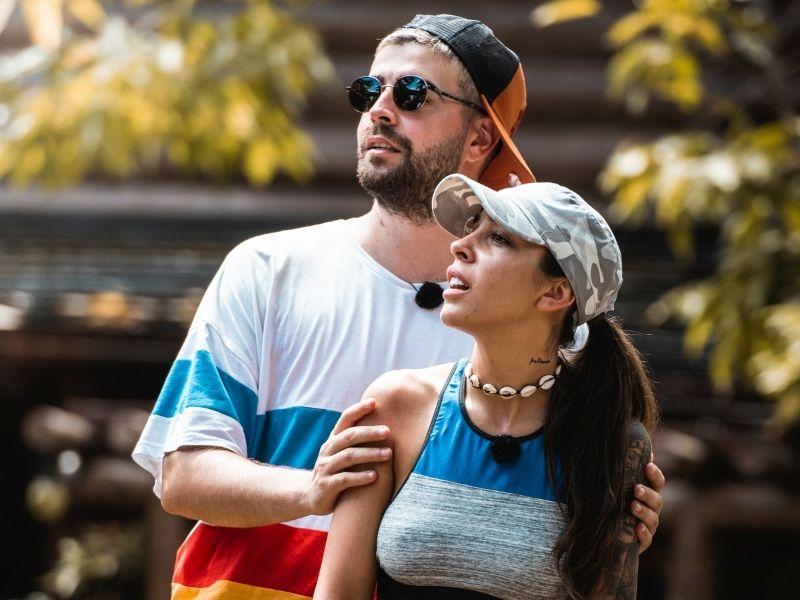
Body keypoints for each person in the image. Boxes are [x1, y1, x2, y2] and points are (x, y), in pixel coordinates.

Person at [132, 14, 665, 599]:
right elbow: (181, 474)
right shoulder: (267, 267)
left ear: (480, 139)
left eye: (412, 93)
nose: (380, 110)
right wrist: (312, 490)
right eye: (368, 90)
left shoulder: (526, 325)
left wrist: (605, 520)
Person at [314, 174, 658, 599]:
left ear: (556, 292)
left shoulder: (611, 441)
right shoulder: (394, 406)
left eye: (497, 238)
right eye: (469, 228)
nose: (459, 245)